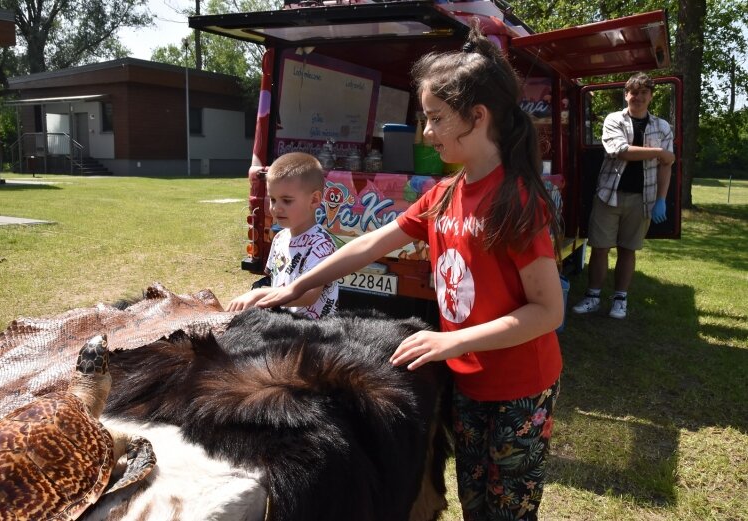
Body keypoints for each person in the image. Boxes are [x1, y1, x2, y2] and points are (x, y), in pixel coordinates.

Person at [257, 21, 564, 521]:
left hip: (520, 388)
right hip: (467, 379)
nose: (426, 132)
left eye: (436, 118)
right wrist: (298, 285)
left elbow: (547, 311)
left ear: (477, 117)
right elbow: (373, 243)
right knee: (474, 501)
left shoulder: (517, 201)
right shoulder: (444, 193)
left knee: (509, 511)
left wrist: (452, 342)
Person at [572, 73, 674, 319]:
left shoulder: (662, 126)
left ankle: (620, 299)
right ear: (626, 94)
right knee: (600, 248)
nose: (638, 97)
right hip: (609, 195)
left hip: (644, 199)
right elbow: (621, 151)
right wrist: (659, 151)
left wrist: (661, 199)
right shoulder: (613, 119)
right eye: (633, 92)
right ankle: (593, 297)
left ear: (650, 96)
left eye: (643, 93)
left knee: (628, 250)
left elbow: (666, 166)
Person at [227, 151, 338, 319]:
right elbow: (275, 280)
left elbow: (309, 295)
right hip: (284, 325)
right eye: (272, 199)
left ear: (314, 200)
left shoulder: (321, 245)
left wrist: (260, 296)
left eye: (286, 200)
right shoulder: (279, 239)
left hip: (315, 334)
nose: (276, 208)